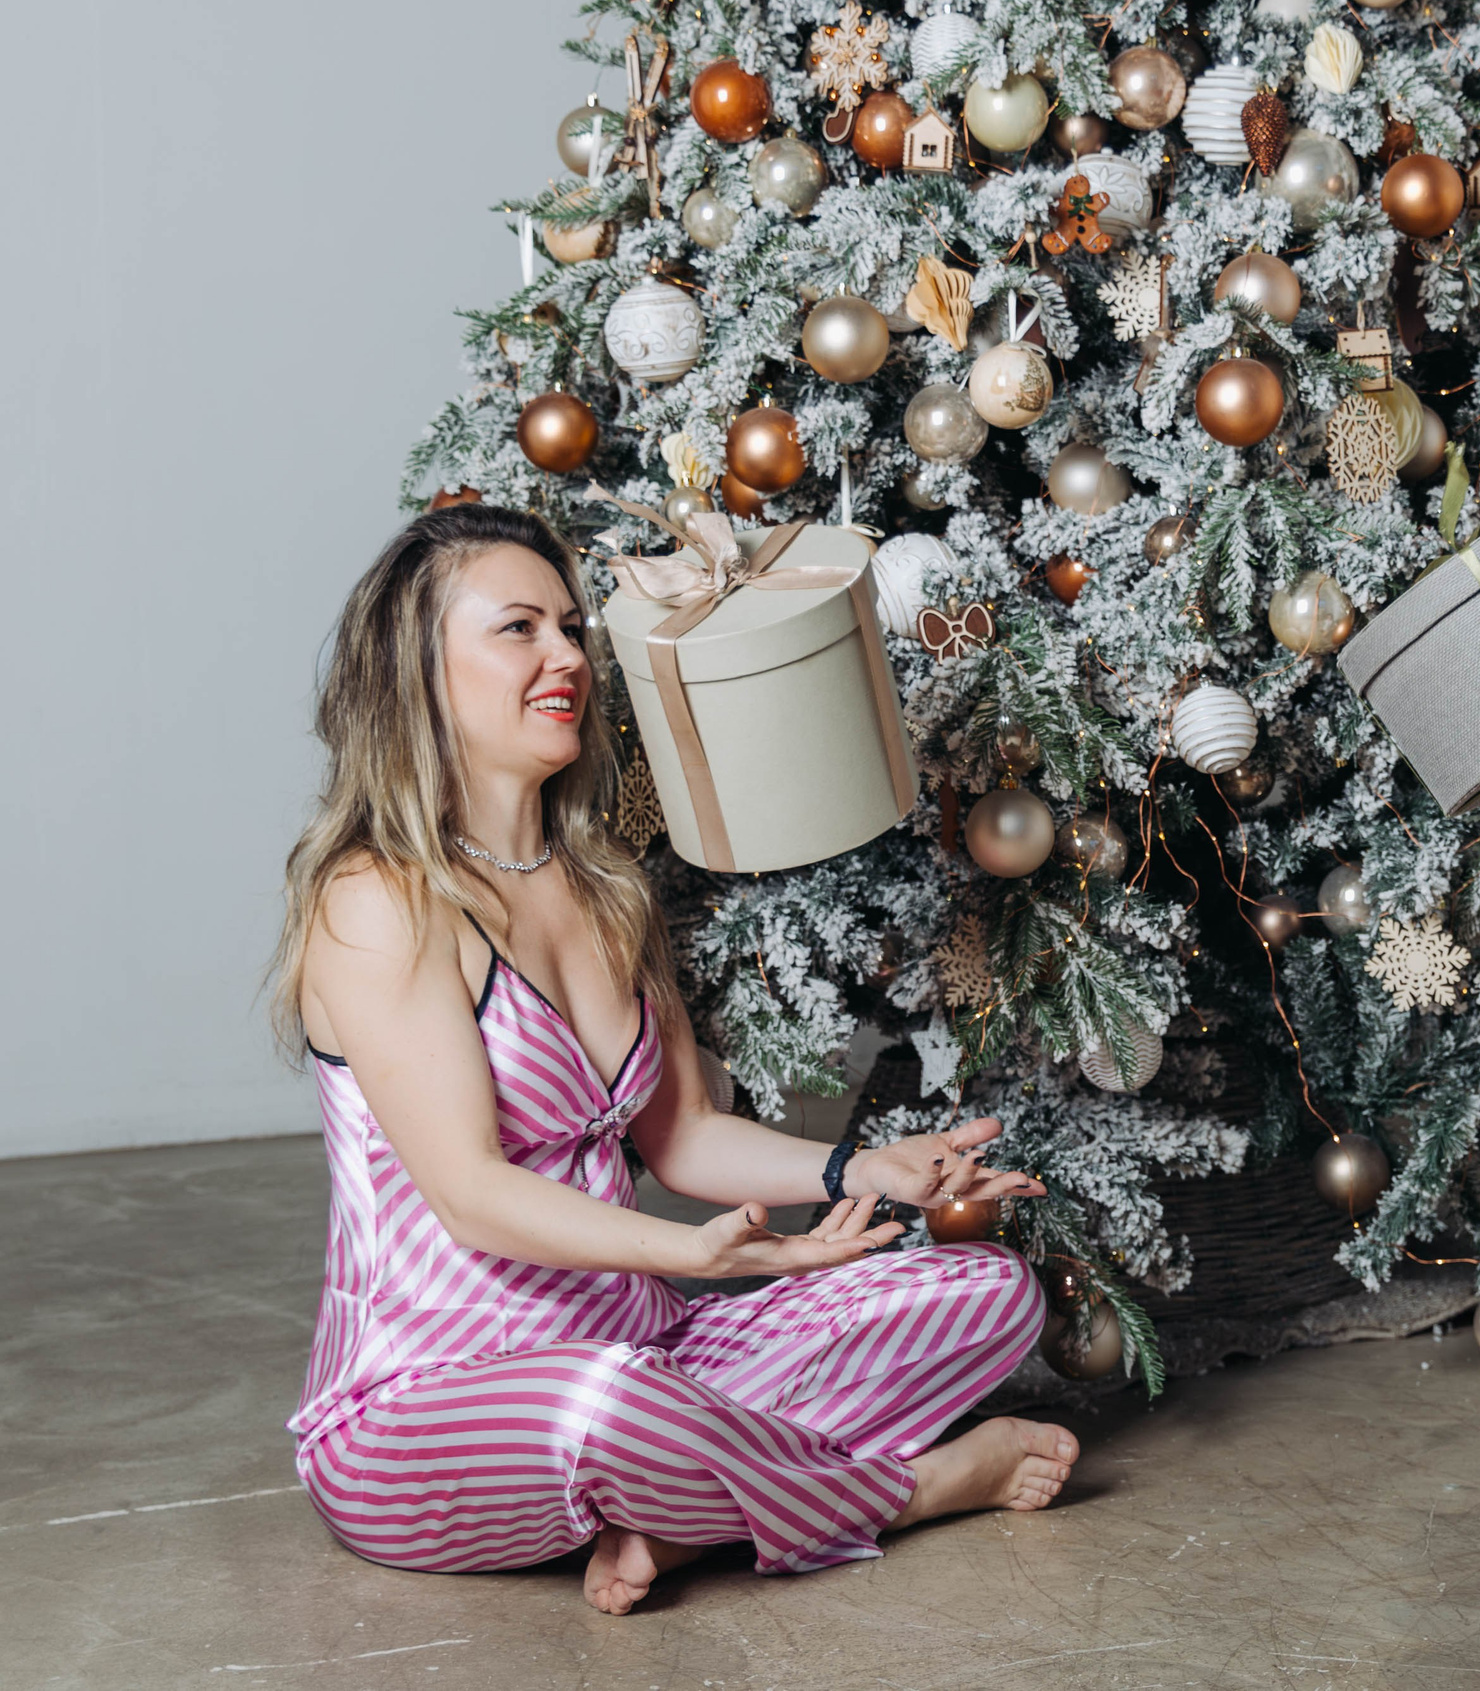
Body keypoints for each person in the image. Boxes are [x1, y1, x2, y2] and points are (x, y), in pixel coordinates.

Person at [272, 504, 1078, 1615]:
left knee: (986, 1293)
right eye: (519, 630)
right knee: (611, 1405)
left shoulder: (603, 885)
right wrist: (699, 1257)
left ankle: (694, 1510)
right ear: (416, 670)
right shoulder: (376, 899)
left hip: (651, 1344)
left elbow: (682, 1135)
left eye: (568, 627)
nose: (567, 657)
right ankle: (910, 1489)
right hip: (420, 1409)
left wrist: (857, 1173)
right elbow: (469, 1193)